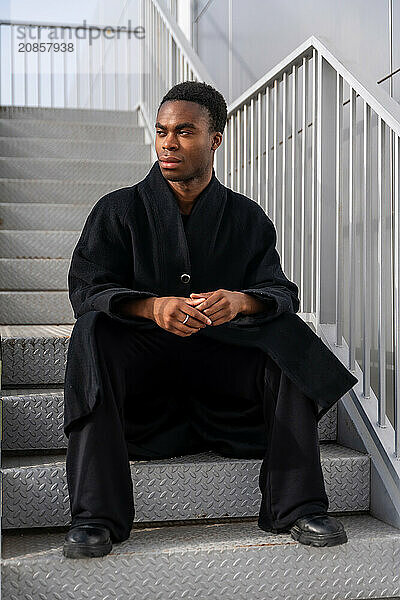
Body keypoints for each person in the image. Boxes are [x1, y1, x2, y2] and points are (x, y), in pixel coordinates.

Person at [62, 81, 356, 559]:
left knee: (287, 333)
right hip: (144, 401)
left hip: (226, 399)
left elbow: (280, 292)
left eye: (183, 132)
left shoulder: (248, 218)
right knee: (92, 331)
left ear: (215, 139)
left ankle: (299, 505)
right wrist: (151, 306)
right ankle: (95, 515)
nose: (168, 144)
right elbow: (87, 290)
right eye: (161, 132)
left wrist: (241, 301)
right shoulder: (117, 211)